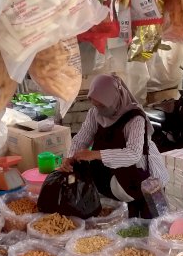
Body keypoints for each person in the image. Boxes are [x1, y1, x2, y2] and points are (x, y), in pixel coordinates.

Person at [60, 74, 169, 218]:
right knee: (123, 220)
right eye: (95, 104)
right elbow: (81, 138)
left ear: (114, 99)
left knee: (152, 219)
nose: (98, 109)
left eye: (102, 105)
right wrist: (71, 157)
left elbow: (133, 153)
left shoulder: (135, 118)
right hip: (117, 178)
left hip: (142, 174)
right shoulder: (95, 113)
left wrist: (95, 154)